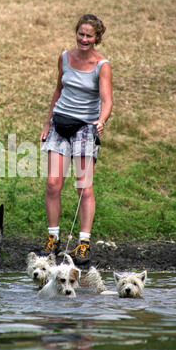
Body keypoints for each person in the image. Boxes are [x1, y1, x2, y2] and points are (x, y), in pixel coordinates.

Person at [40, 14, 113, 266]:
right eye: (80, 34)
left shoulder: (102, 65)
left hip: (85, 128)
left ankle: (83, 243)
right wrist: (47, 122)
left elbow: (107, 101)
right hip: (60, 124)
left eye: (89, 36)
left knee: (84, 187)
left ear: (97, 38)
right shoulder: (64, 57)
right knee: (52, 184)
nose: (84, 39)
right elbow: (58, 89)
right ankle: (53, 239)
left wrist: (101, 120)